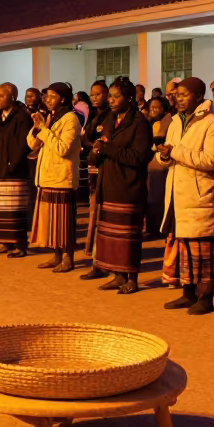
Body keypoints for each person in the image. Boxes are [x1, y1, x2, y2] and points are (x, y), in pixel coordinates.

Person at [158, 77, 214, 314]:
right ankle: (187, 294)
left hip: (200, 195)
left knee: (202, 251)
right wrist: (164, 156)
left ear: (198, 97)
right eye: (177, 95)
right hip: (178, 194)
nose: (178, 99)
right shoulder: (176, 121)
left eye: (184, 95)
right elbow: (169, 155)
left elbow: (211, 160)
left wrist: (175, 151)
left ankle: (205, 298)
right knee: (183, 248)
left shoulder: (213, 123)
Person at [85, 77, 152, 293]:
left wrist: (106, 149)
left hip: (128, 187)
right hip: (108, 183)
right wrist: (96, 152)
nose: (111, 101)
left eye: (116, 97)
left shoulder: (139, 123)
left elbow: (138, 157)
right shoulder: (108, 120)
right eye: (110, 97)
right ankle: (117, 275)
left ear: (129, 98)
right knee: (111, 235)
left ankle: (132, 278)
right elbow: (99, 147)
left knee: (128, 237)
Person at [28, 82, 82, 271]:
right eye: (47, 96)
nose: (48, 100)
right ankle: (56, 255)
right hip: (46, 176)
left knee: (64, 223)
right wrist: (37, 127)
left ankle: (68, 258)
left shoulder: (71, 119)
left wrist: (44, 130)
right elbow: (32, 145)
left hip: (62, 178)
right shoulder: (50, 117)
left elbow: (62, 148)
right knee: (52, 223)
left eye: (52, 96)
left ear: (64, 99)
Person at [0, 83, 34, 256]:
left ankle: (19, 245)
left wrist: (12, 163)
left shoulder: (22, 116)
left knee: (14, 210)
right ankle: (5, 242)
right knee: (0, 209)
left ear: (12, 97)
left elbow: (24, 144)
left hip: (14, 170)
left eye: (1, 95)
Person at [81, 81, 113, 255]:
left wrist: (96, 145)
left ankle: (100, 249)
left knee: (102, 205)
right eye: (92, 94)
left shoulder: (111, 115)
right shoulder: (93, 115)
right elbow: (86, 138)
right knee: (93, 204)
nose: (94, 97)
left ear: (107, 95)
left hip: (105, 164)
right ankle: (91, 247)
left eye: (98, 94)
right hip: (92, 164)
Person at [145, 97, 174, 236]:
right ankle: (151, 228)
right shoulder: (149, 122)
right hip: (149, 164)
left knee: (157, 197)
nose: (153, 110)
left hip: (160, 164)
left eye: (156, 107)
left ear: (164, 108)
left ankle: (157, 229)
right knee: (150, 196)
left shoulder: (167, 121)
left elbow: (159, 141)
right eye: (151, 107)